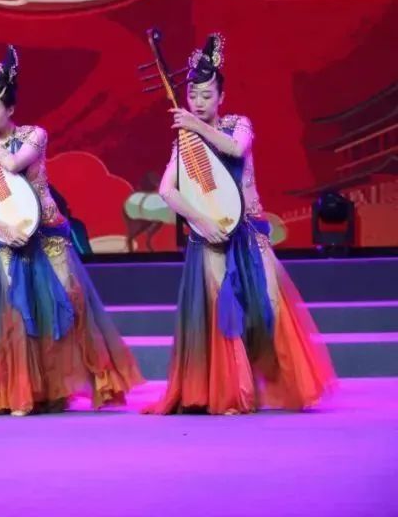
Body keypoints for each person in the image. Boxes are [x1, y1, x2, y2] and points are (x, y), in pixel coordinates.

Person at [144, 34, 336, 414]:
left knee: (270, 304)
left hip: (249, 230)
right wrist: (200, 220)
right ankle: (232, 393)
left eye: (206, 95)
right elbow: (167, 190)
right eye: (193, 96)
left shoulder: (237, 124)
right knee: (225, 311)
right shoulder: (183, 142)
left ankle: (281, 385)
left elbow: (235, 149)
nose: (198, 103)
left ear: (221, 97)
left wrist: (195, 127)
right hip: (211, 236)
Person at [0, 47, 143, 415]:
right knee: (19, 313)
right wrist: (1, 228)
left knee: (68, 302)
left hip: (49, 234)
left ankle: (75, 384)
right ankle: (22, 392)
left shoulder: (33, 135)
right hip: (7, 239)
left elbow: (13, 164)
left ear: (11, 109)